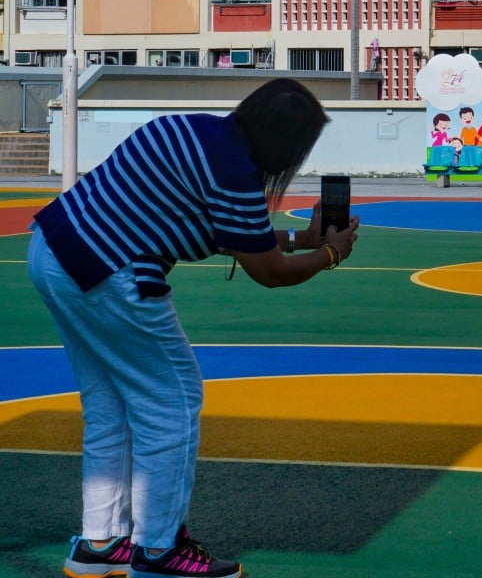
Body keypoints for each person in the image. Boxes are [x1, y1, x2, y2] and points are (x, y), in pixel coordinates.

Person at [27, 78, 360, 578]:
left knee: (109, 405)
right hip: (111, 273)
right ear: (286, 145)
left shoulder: (189, 130)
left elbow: (222, 231)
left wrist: (298, 238)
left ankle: (100, 543)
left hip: (54, 251)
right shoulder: (236, 174)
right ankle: (160, 550)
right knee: (173, 401)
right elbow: (268, 273)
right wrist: (330, 252)